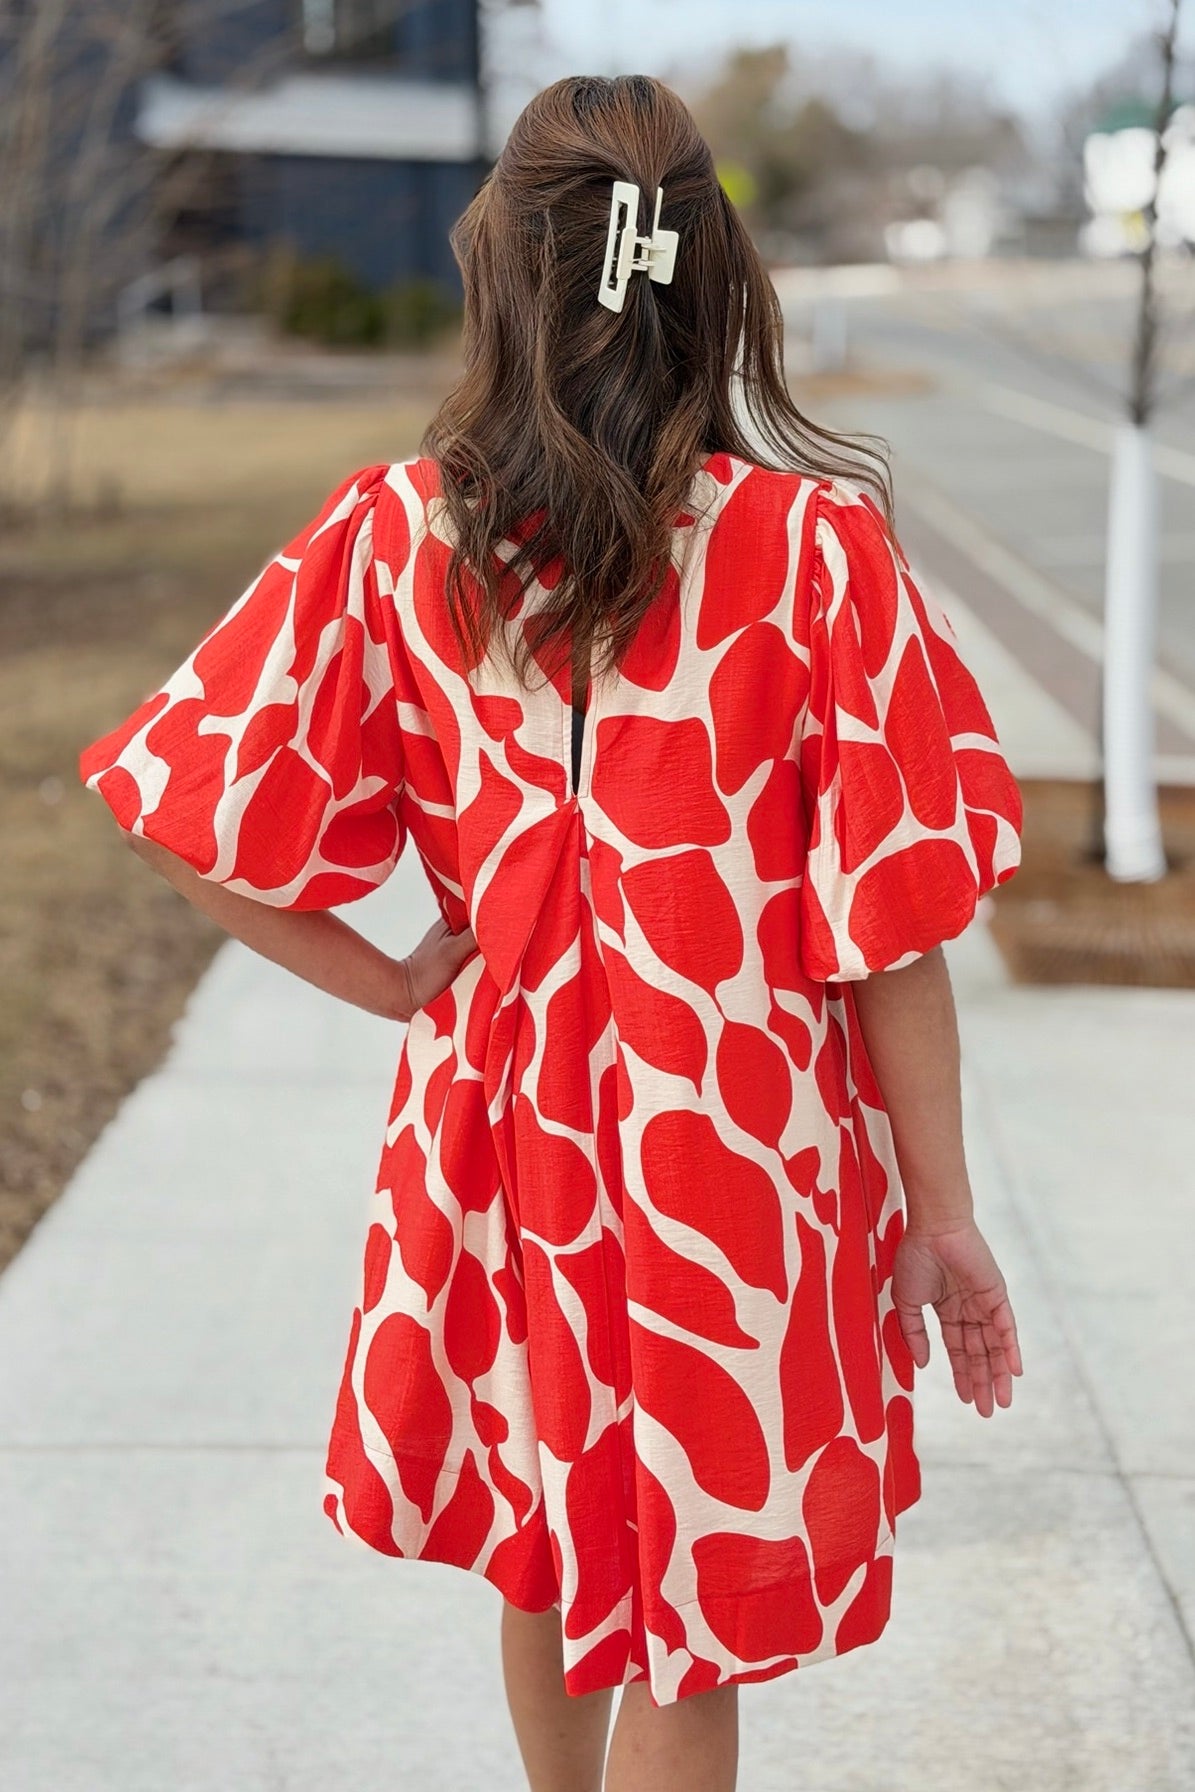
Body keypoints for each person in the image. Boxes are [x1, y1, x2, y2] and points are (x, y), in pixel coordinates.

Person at [78, 72, 1025, 1792]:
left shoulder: (401, 539)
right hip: (734, 1148)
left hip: (502, 1140)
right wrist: (941, 1215)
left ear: (501, 272)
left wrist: (387, 977)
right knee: (686, 1611)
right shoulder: (816, 561)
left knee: (545, 1523)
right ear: (713, 280)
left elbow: (181, 797)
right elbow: (895, 927)